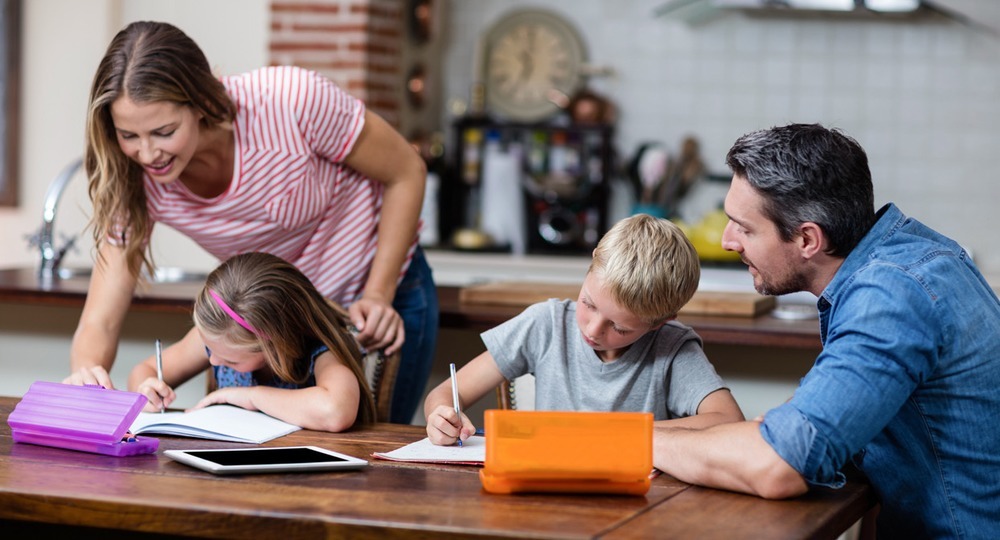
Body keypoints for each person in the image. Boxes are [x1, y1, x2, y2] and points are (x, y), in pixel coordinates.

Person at [64, 20, 438, 424]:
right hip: (266, 326)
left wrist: (378, 294)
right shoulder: (133, 175)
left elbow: (406, 171)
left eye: (164, 131)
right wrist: (87, 375)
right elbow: (100, 317)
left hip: (375, 299)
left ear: (201, 101)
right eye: (128, 135)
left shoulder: (292, 101)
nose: (147, 153)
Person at [653, 123, 1000, 538]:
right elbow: (802, 432)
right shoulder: (912, 254)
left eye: (744, 227)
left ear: (807, 239)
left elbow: (778, 466)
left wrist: (631, 442)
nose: (728, 241)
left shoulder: (890, 297)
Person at [424, 214, 744, 446]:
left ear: (661, 322)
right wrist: (441, 416)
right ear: (591, 265)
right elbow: (446, 393)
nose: (592, 329)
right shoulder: (545, 324)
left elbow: (727, 421)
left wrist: (618, 433)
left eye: (619, 327)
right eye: (588, 303)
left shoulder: (672, 348)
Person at [128, 252, 376, 431]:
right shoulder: (217, 339)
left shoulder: (321, 353)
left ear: (276, 346)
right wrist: (147, 389)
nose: (213, 360)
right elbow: (143, 370)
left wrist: (251, 396)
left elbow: (335, 411)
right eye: (209, 350)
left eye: (230, 360)